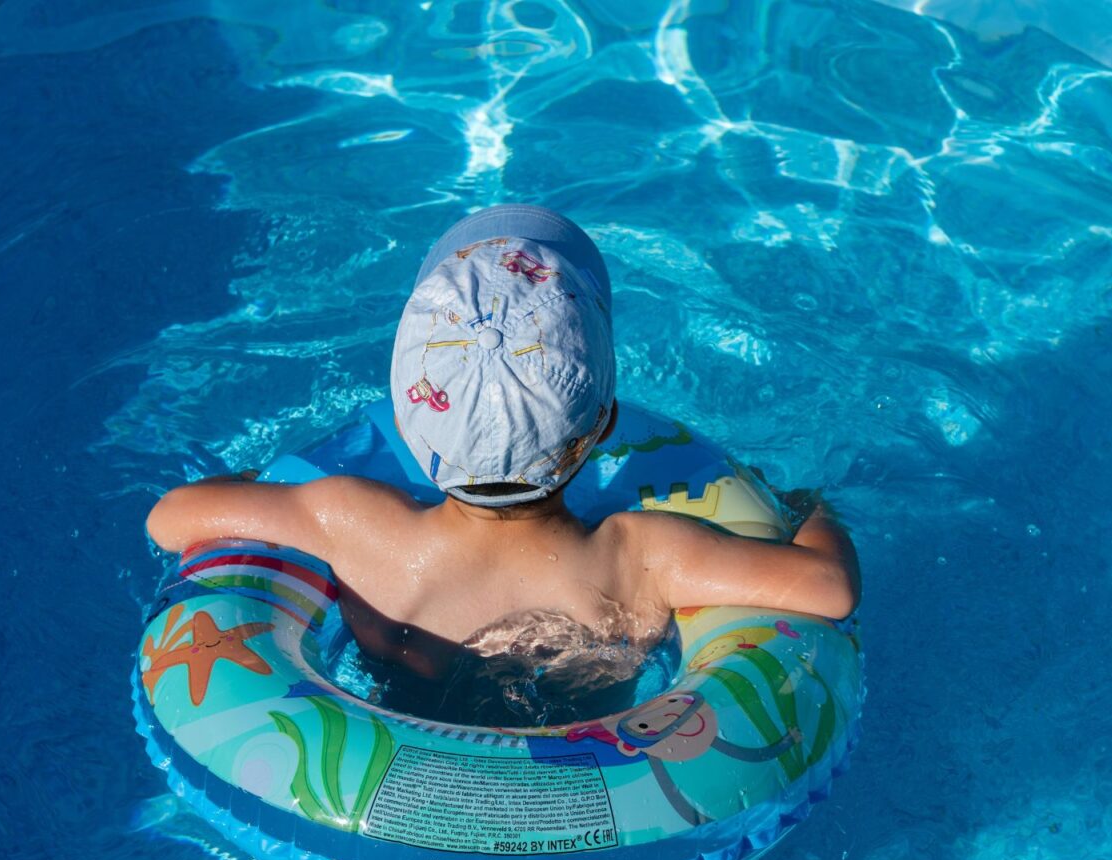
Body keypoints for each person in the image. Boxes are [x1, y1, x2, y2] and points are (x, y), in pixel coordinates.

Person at [146, 204, 861, 689]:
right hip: (592, 828)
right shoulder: (641, 557)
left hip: (395, 808)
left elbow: (171, 517)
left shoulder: (351, 520)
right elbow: (828, 590)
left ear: (407, 422)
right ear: (603, 428)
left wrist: (253, 480)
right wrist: (802, 509)